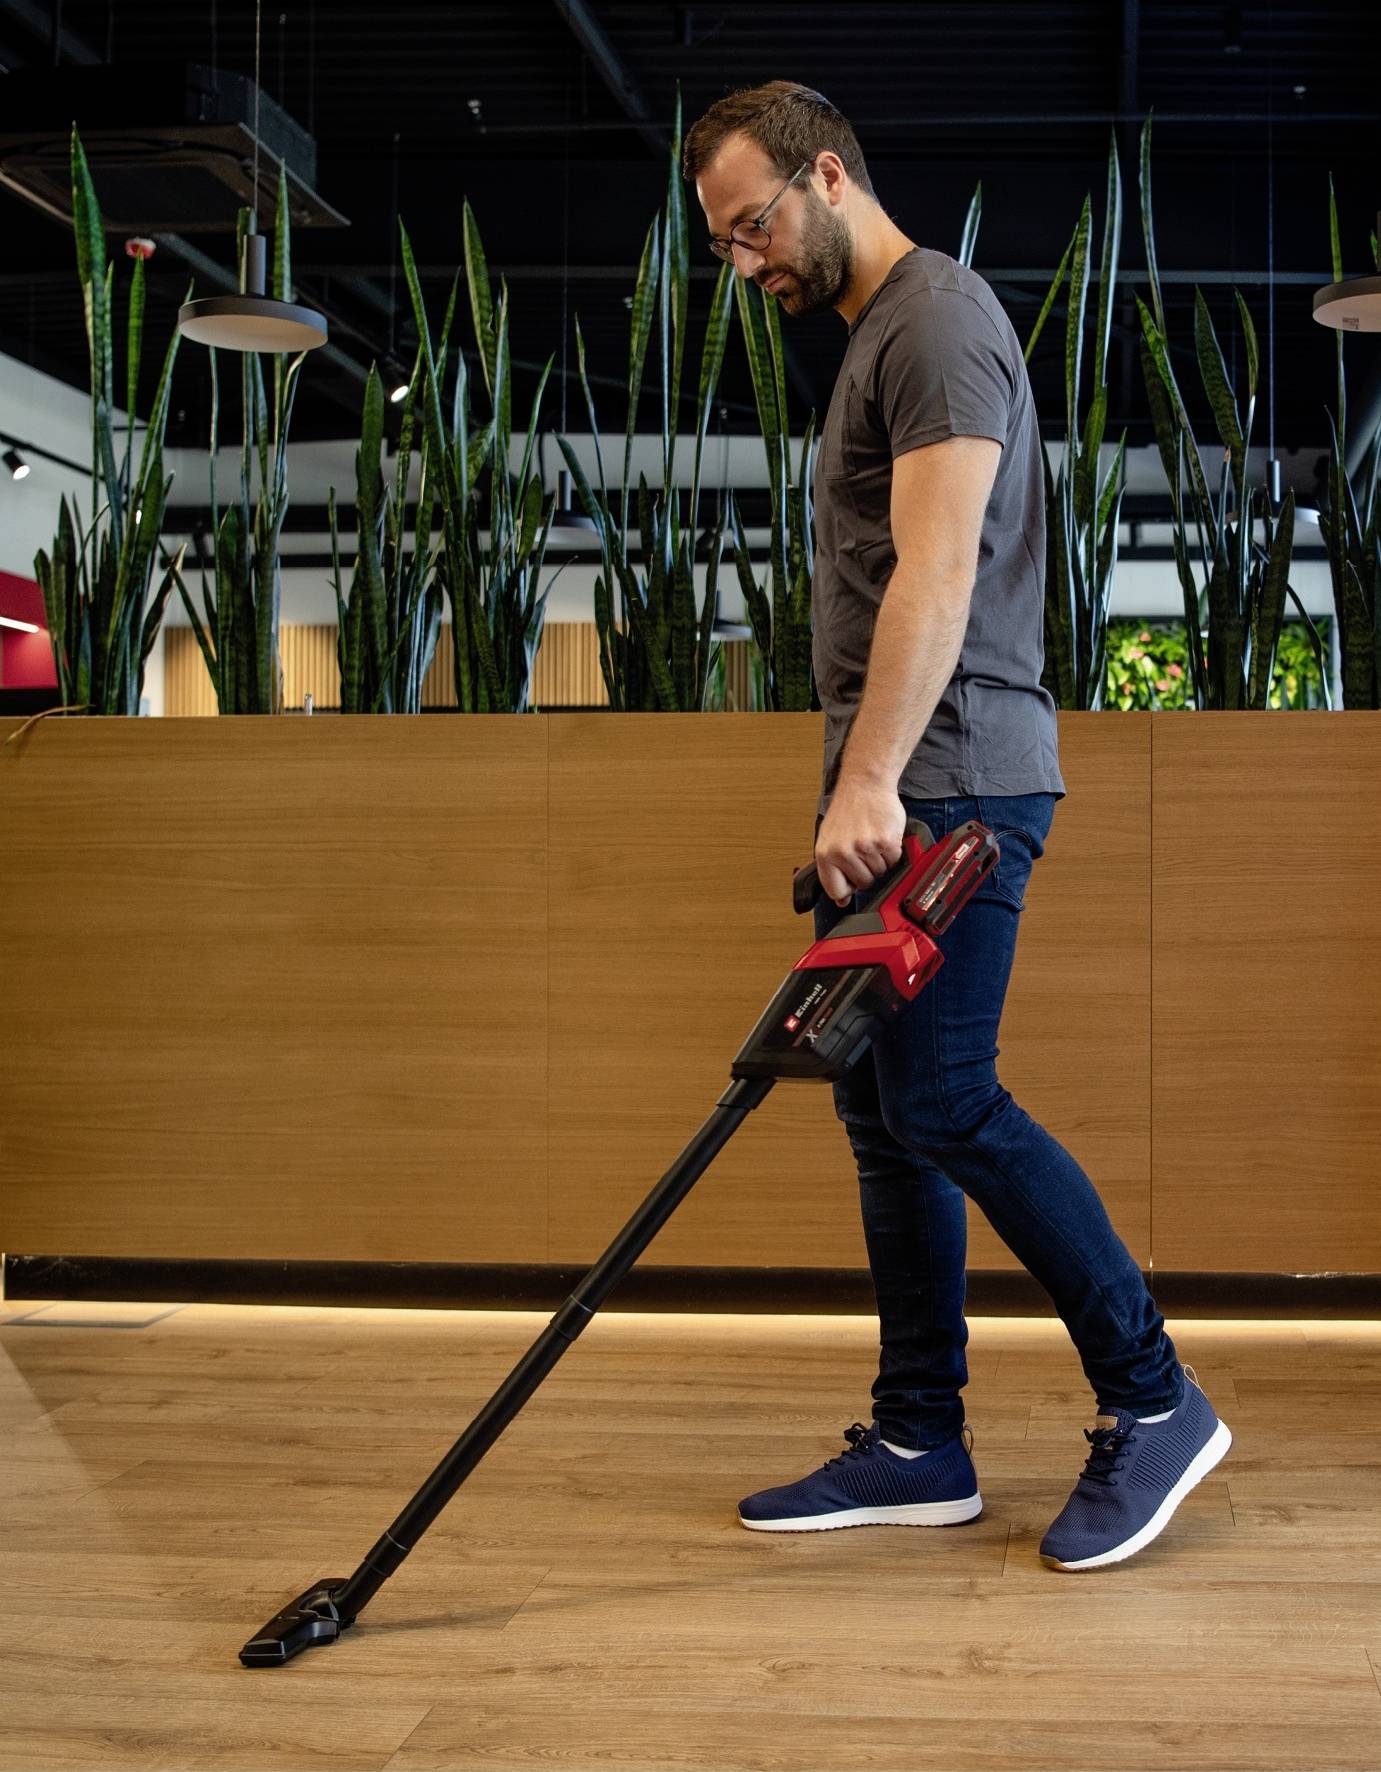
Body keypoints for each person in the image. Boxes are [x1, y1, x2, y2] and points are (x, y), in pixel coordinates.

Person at [683, 81, 1231, 1570]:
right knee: (882, 1117)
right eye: (724, 247)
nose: (746, 266)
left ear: (829, 174)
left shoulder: (930, 320)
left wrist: (871, 787)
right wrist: (848, 789)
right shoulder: (882, 336)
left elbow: (932, 574)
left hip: (954, 780)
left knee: (941, 1100)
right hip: (898, 781)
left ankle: (1155, 1397)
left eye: (752, 229)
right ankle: (920, 1437)